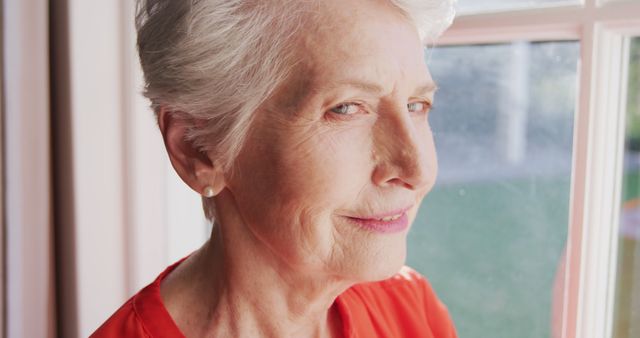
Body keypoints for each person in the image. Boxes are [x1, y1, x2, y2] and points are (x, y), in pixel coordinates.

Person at [92, 0, 457, 336]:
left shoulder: (408, 306)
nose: (417, 169)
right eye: (345, 109)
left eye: (417, 104)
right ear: (197, 149)